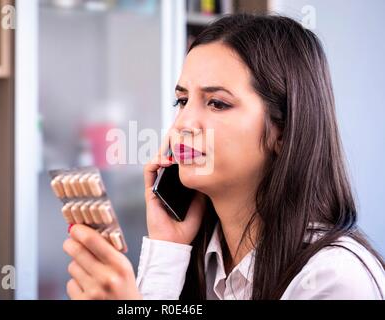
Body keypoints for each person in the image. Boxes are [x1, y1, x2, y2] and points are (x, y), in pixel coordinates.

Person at [62, 14, 385, 300]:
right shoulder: (204, 259)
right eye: (182, 101)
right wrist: (166, 248)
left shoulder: (334, 279)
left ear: (283, 131)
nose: (183, 124)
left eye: (217, 103)